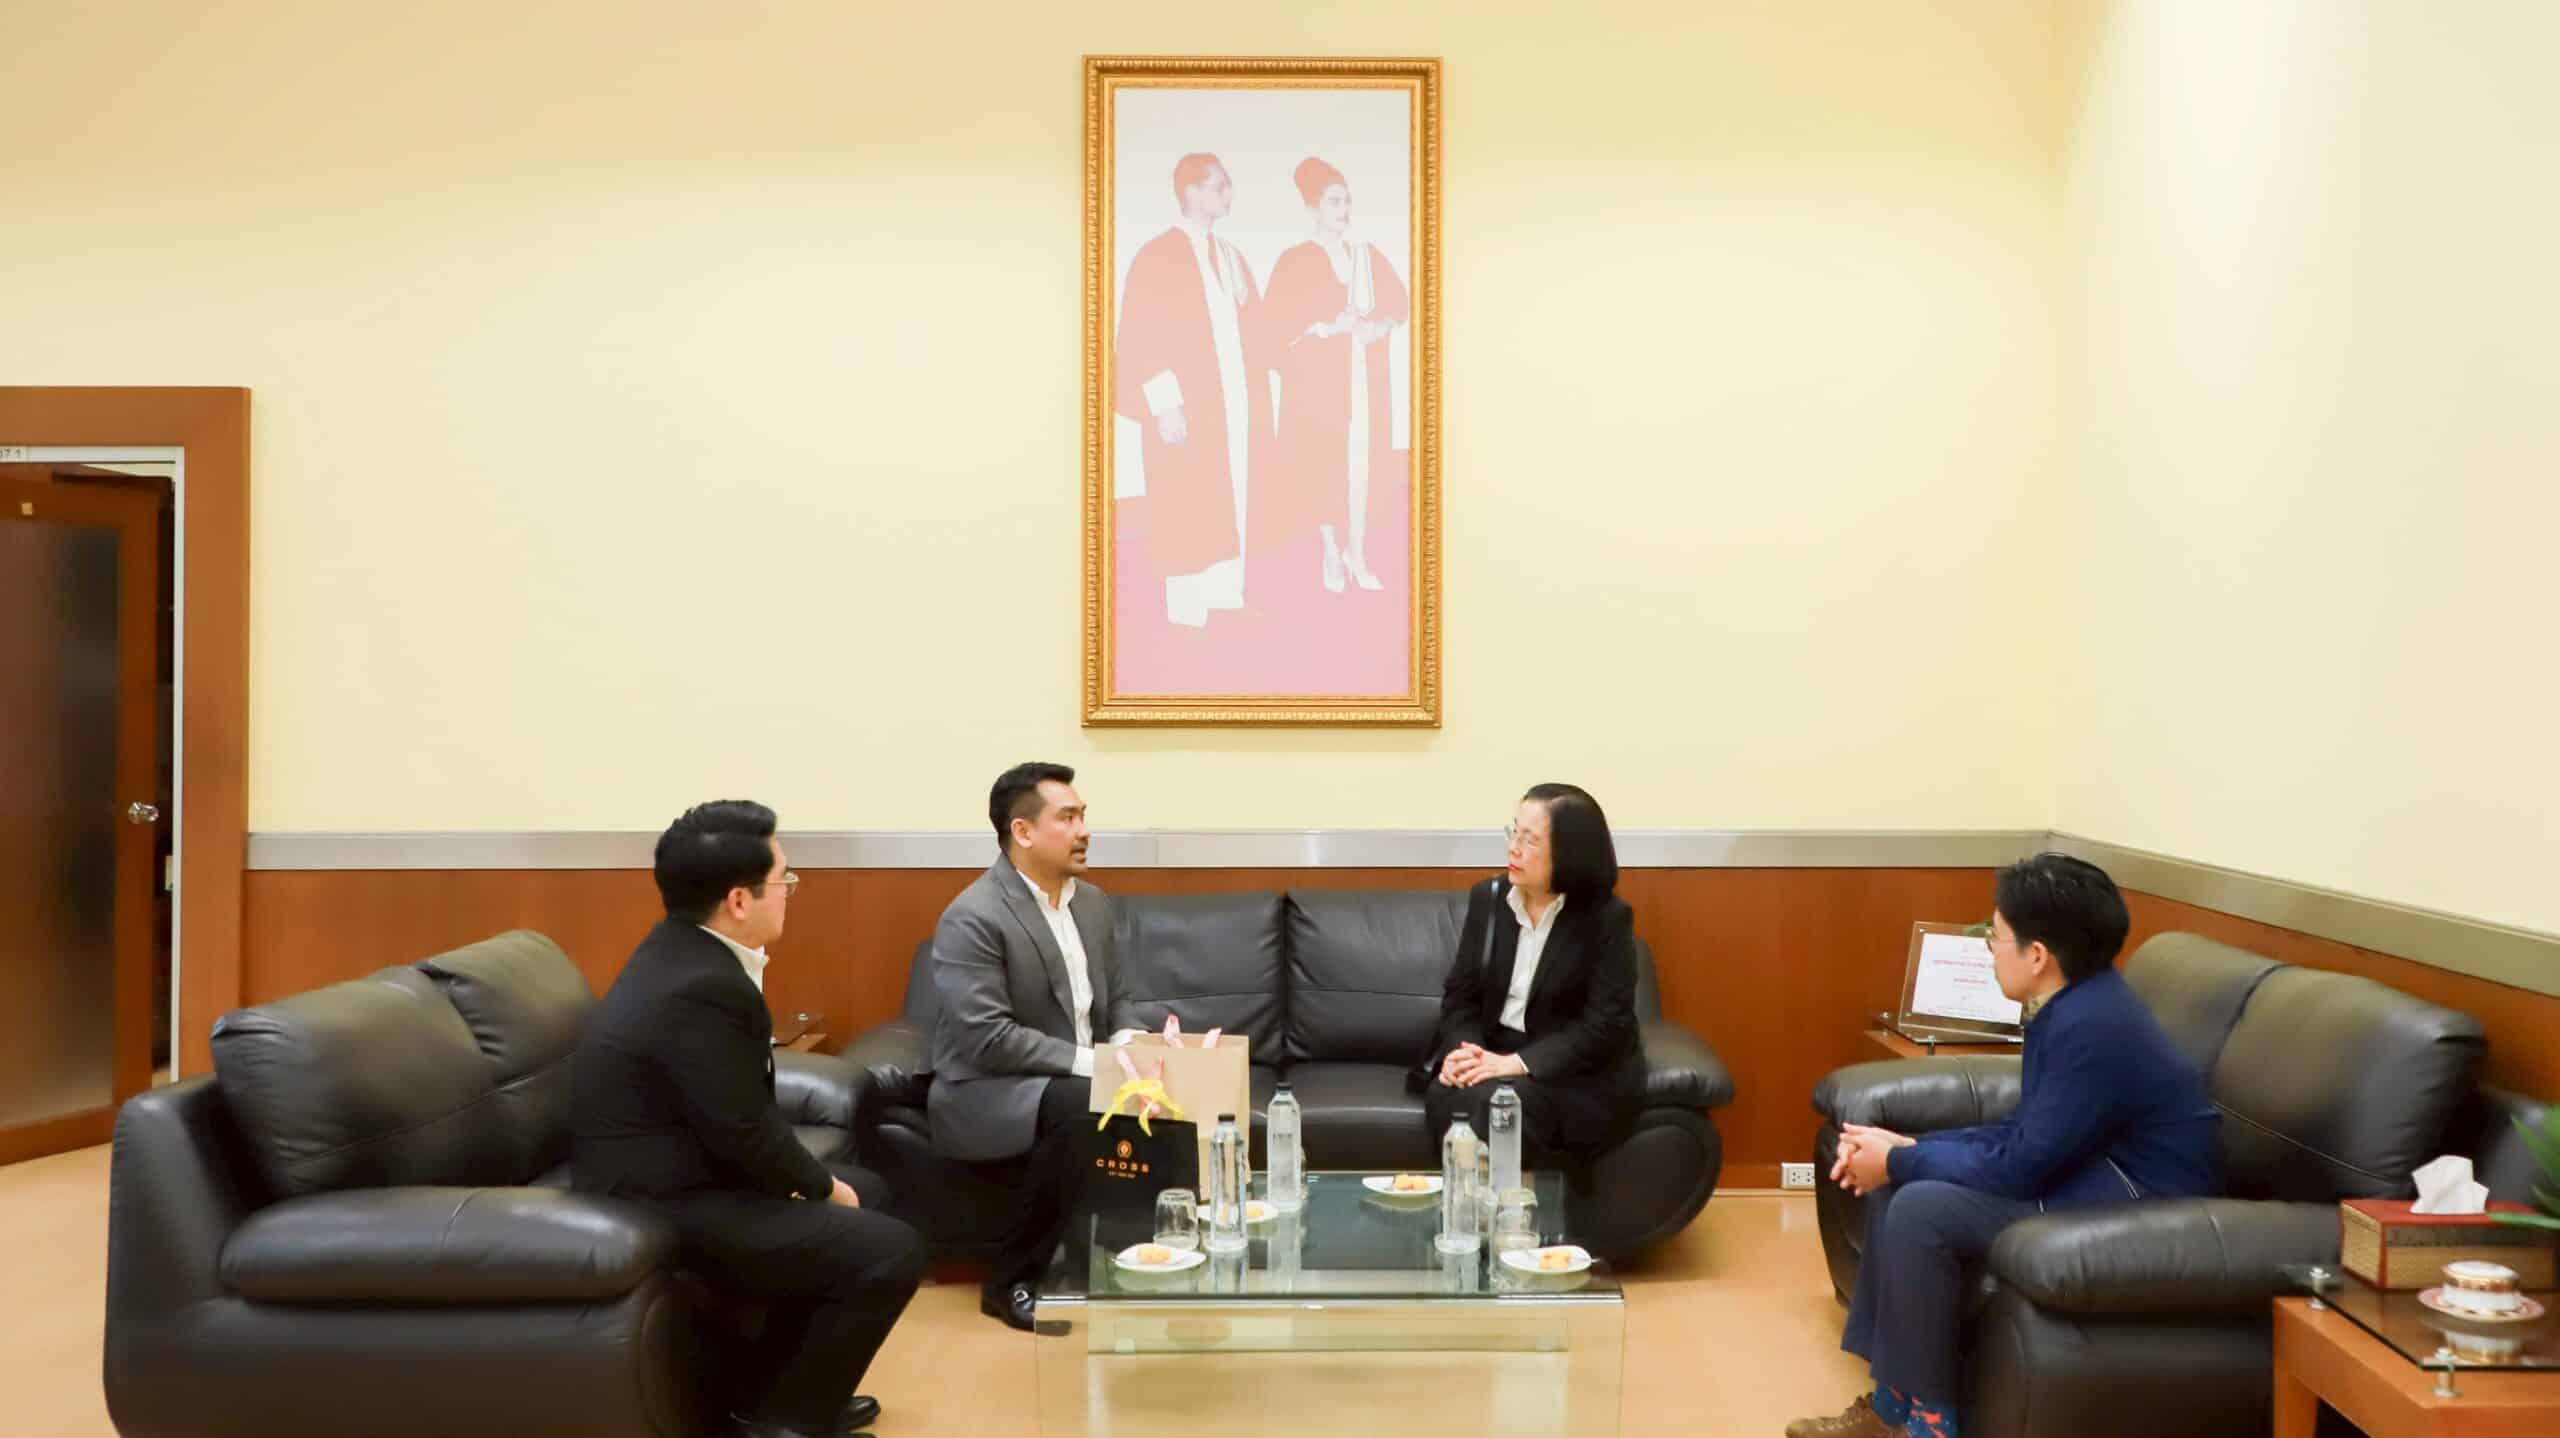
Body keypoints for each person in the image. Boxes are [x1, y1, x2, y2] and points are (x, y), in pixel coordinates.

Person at [1792, 853, 2223, 1438]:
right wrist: (1909, 1147)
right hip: (2092, 1169)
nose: (1990, 949)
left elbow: (2022, 1165)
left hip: (2142, 1199)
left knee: (1921, 1207)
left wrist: (1899, 1159)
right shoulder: (2073, 1003)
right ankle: (1892, 1408)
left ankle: (1929, 1425)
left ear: (2037, 955)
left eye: (1995, 936)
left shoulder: (2091, 1025)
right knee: (1900, 1188)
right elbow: (2027, 1129)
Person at [570, 800, 922, 1438]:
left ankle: (780, 1392)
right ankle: (782, 1424)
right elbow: (741, 1129)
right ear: (739, 900)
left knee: (869, 1193)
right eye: (784, 879)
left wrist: (818, 1186)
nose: (789, 893)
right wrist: (819, 1187)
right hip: (657, 1197)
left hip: (684, 1171)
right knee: (889, 1249)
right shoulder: (703, 985)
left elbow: (733, 1112)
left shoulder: (683, 950)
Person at [929, 762, 1118, 1330]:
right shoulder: (973, 916)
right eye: (1068, 818)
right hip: (988, 1088)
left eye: (1083, 816)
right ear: (1023, 831)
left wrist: (1132, 1043)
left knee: (1155, 1085)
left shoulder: (1092, 904)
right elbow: (987, 1038)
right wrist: (1096, 1064)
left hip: (1065, 1075)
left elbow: (1120, 999)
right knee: (1082, 1101)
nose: (1084, 830)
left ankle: (1129, 1262)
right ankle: (1010, 1281)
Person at [1423, 783, 1643, 1157]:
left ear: (1570, 851)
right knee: (1446, 1093)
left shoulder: (1607, 918)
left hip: (1571, 1071)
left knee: (1504, 1108)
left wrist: (1516, 1064)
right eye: (1514, 833)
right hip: (1495, 1052)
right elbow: (1461, 997)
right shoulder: (1489, 899)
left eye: (1531, 840)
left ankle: (1500, 1193)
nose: (1514, 848)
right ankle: (1475, 1190)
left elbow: (1604, 1025)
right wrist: (1467, 1054)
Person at [1113, 153, 1267, 629]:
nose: (1228, 194)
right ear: (1192, 192)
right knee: (1185, 497)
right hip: (1184, 402)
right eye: (1220, 186)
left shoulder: (1231, 257)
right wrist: (1164, 405)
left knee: (1230, 490)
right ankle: (1185, 611)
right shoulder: (1160, 255)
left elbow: (1255, 326)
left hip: (1230, 398)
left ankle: (1226, 595)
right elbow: (1143, 332)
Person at [1255, 156, 1411, 596]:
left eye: (1347, 201)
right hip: (1319, 386)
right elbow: (1274, 326)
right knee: (1323, 463)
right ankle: (1329, 550)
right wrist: (1323, 328)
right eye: (1334, 202)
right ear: (1312, 208)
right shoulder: (1295, 261)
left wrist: (1380, 326)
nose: (1344, 210)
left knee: (1362, 463)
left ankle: (1357, 551)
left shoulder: (1366, 256)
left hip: (1364, 382)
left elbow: (1398, 302)